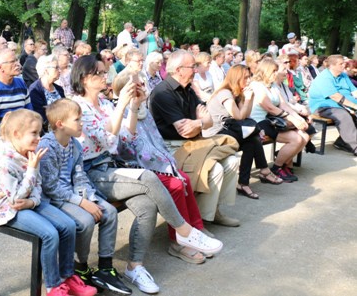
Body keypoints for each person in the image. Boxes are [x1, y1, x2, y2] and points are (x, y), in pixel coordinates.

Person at [70, 56, 222, 293]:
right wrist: (122, 104)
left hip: (111, 166)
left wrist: (131, 107)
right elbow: (108, 139)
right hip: (89, 173)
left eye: (103, 72)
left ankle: (134, 266)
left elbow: (126, 140)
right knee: (149, 177)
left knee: (147, 206)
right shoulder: (78, 107)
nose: (104, 77)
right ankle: (184, 232)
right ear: (85, 79)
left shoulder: (105, 103)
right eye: (99, 73)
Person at [0, 109, 97, 296]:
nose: (39, 138)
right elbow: (14, 199)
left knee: (68, 225)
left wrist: (33, 201)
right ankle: (53, 287)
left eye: (39, 132)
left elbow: (38, 186)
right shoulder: (3, 162)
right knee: (50, 234)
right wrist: (31, 169)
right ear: (16, 135)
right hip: (6, 210)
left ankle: (67, 276)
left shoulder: (30, 152)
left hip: (29, 203)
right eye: (34, 133)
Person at [111, 71, 211, 265]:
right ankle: (178, 242)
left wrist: (165, 160)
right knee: (173, 184)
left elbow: (154, 139)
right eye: (139, 84)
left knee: (184, 178)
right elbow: (126, 146)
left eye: (143, 82)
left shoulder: (143, 109)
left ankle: (195, 228)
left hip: (154, 160)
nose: (145, 86)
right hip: (133, 165)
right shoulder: (121, 111)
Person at [38, 99, 133, 295]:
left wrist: (89, 198)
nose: (82, 123)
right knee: (86, 220)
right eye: (77, 120)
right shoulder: (48, 146)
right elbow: (50, 187)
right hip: (54, 199)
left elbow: (80, 175)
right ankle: (79, 265)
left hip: (72, 195)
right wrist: (82, 203)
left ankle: (105, 266)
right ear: (60, 124)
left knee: (109, 212)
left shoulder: (75, 145)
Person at [149, 50, 240, 227]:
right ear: (178, 69)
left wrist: (198, 123)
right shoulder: (162, 93)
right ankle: (201, 220)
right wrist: (200, 121)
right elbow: (185, 131)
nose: (196, 70)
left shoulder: (188, 89)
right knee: (214, 170)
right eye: (193, 66)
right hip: (172, 147)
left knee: (231, 161)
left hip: (194, 143)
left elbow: (209, 120)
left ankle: (214, 211)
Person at [205, 65, 283, 199]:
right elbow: (238, 116)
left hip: (230, 131)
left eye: (249, 77)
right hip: (216, 135)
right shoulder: (225, 93)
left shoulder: (236, 93)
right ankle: (262, 171)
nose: (248, 80)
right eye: (245, 77)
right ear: (237, 78)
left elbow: (246, 115)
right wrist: (247, 99)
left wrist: (250, 98)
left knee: (251, 142)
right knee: (252, 138)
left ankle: (244, 183)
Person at [248, 58, 310, 181]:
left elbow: (284, 105)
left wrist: (299, 118)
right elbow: (269, 107)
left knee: (305, 137)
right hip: (257, 122)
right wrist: (293, 119)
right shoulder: (256, 85)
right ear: (265, 71)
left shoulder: (273, 85)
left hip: (270, 119)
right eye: (273, 71)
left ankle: (283, 165)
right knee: (296, 139)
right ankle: (276, 169)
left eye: (276, 70)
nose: (276, 73)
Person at [308, 55, 357, 155]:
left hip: (343, 104)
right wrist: (354, 106)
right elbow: (335, 97)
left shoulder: (343, 75)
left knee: (348, 114)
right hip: (325, 106)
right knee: (343, 116)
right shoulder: (324, 78)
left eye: (344, 62)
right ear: (332, 66)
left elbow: (354, 91)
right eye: (341, 63)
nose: (344, 65)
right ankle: (355, 146)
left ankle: (342, 142)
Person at [28, 55, 65, 130]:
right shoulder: (35, 90)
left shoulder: (59, 89)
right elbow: (40, 117)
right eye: (56, 67)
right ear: (46, 70)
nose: (59, 70)